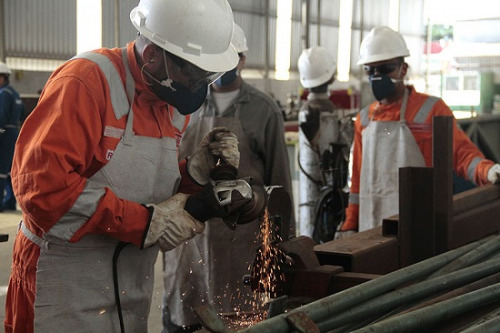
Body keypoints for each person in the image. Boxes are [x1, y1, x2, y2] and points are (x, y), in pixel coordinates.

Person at [4, 0, 253, 332]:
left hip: (128, 286)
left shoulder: (174, 103)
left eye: (206, 75)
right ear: (152, 55)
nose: (198, 85)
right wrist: (146, 222)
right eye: (191, 73)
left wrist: (193, 174)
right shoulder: (86, 83)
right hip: (61, 284)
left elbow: (143, 184)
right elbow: (41, 190)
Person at [162, 23, 294, 332]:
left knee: (240, 316)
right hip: (189, 233)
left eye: (229, 59)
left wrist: (282, 248)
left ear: (243, 60)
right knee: (186, 312)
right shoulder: (184, 108)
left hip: (243, 239)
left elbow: (280, 184)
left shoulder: (264, 111)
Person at [339, 26, 500, 235]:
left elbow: (463, 155)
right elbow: (357, 183)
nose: (377, 76)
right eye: (371, 70)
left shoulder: (432, 109)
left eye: (385, 69)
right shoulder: (365, 120)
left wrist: (489, 171)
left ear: (403, 69)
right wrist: (350, 224)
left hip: (422, 226)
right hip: (373, 227)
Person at [297, 46, 353, 242]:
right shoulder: (332, 113)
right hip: (328, 199)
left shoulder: (306, 111)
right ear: (331, 76)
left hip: (312, 200)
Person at [0, 62, 24, 212]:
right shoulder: (15, 93)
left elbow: (0, 116)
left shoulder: (3, 94)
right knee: (10, 169)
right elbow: (23, 113)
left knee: (1, 170)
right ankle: (10, 202)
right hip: (15, 132)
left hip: (5, 133)